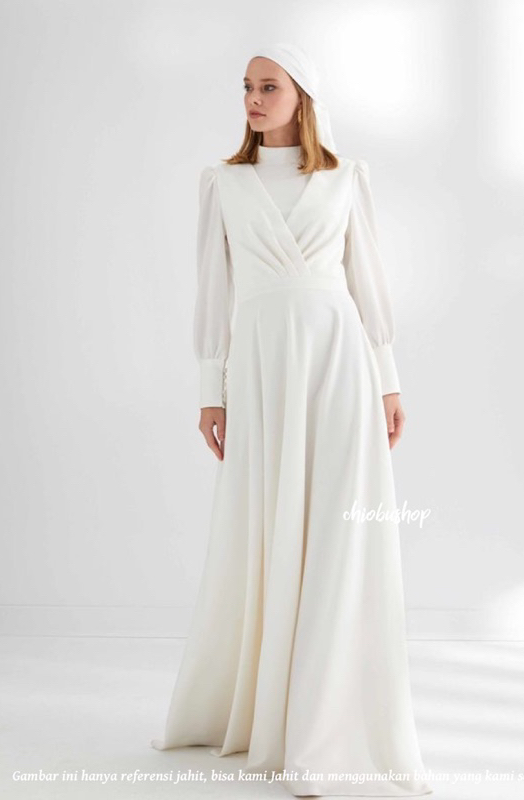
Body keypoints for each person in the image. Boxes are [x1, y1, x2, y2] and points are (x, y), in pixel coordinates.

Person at [151, 42, 434, 798]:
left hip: (341, 366)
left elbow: (367, 284)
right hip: (262, 371)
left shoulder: (346, 178)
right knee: (267, 525)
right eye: (247, 86)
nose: (252, 98)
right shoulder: (223, 183)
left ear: (302, 95)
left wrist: (389, 383)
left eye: (268, 86)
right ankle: (268, 711)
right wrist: (210, 390)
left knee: (339, 533)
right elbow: (213, 292)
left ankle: (327, 726)